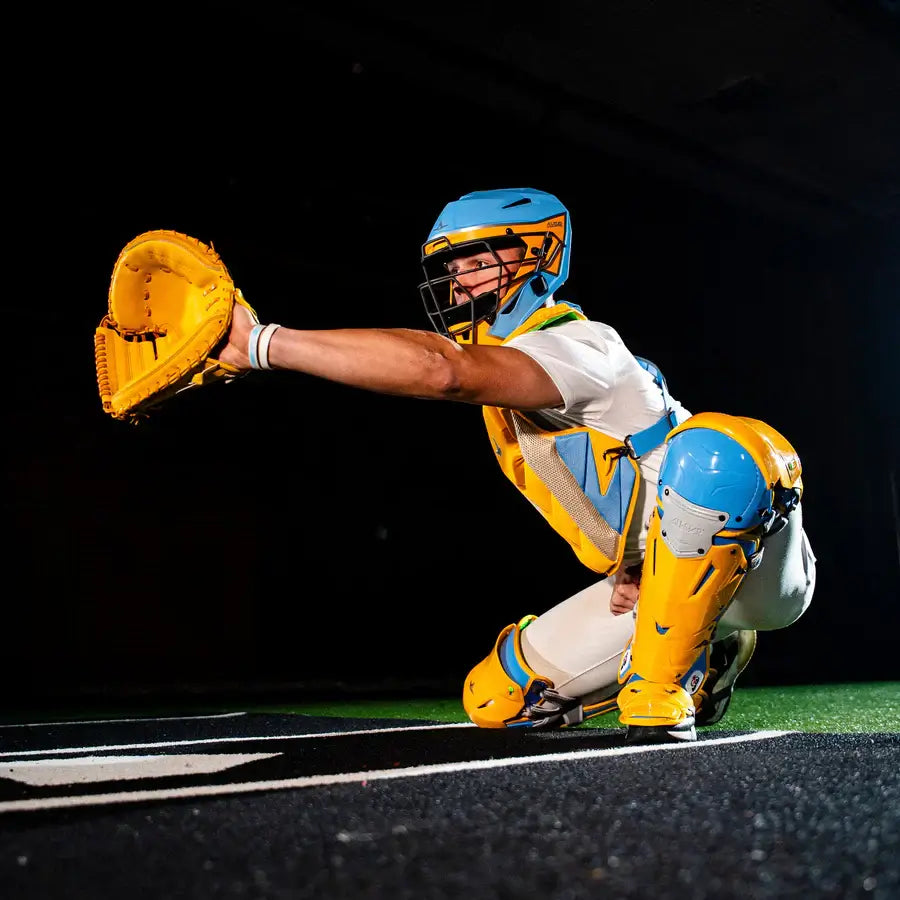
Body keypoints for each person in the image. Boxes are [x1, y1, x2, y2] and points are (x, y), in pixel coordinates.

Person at [218, 187, 816, 745]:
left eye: (475, 262)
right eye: (452, 272)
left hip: (762, 573)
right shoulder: (520, 360)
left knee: (720, 450)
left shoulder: (574, 344)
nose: (459, 286)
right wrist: (637, 563)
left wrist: (263, 344)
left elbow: (441, 371)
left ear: (538, 254)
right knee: (495, 700)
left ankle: (661, 690)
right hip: (655, 576)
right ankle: (710, 653)